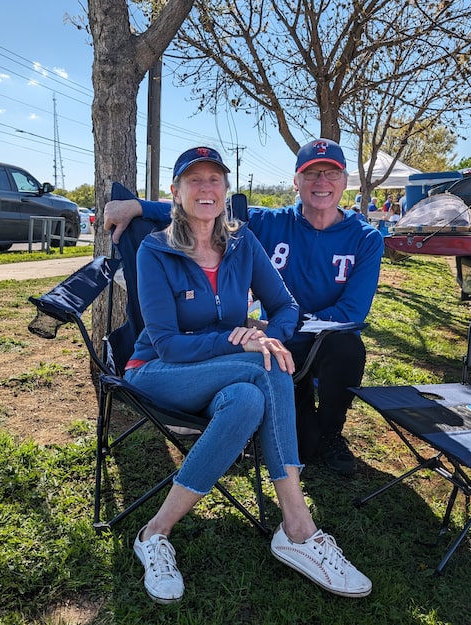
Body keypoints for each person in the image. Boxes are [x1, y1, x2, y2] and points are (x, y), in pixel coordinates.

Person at [125, 146, 372, 605]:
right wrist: (244, 342)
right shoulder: (154, 250)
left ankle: (155, 532)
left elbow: (286, 307)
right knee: (265, 364)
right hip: (159, 371)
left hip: (226, 376)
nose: (205, 188)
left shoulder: (242, 243)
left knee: (249, 399)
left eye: (214, 180)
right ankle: (298, 528)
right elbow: (167, 345)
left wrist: (271, 335)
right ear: (175, 193)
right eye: (193, 180)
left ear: (225, 190)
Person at [105, 139, 384, 475]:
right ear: (296, 181)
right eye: (311, 175)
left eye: (331, 174)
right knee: (298, 440)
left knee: (347, 345)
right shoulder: (269, 223)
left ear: (344, 181)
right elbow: (204, 211)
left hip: (302, 341)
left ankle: (331, 434)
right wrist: (138, 207)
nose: (321, 183)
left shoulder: (366, 238)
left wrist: (273, 333)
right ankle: (292, 472)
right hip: (265, 348)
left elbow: (351, 313)